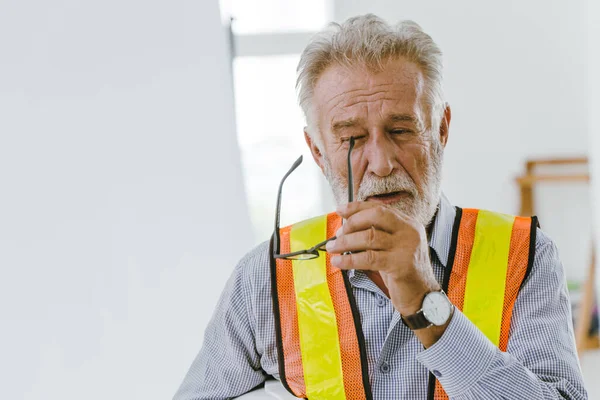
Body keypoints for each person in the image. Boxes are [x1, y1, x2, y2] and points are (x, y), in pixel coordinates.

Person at [174, 14, 588, 400]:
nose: (382, 162)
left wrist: (429, 307)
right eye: (351, 137)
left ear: (440, 129)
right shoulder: (264, 277)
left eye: (401, 130)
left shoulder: (526, 256)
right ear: (318, 152)